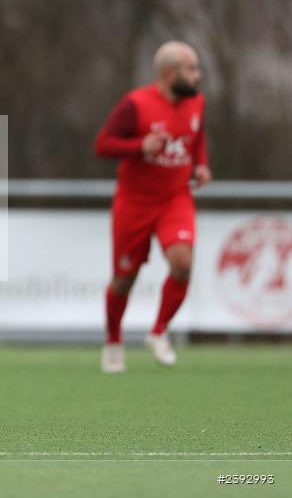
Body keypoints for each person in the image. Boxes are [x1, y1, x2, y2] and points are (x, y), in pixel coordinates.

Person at [94, 41, 212, 373]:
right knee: (124, 278)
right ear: (170, 73)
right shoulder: (136, 104)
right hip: (134, 203)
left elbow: (197, 137)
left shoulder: (197, 103)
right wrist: (138, 145)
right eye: (192, 69)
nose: (198, 76)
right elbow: (103, 145)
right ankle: (114, 340)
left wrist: (201, 166)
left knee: (182, 262)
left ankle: (159, 331)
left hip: (176, 198)